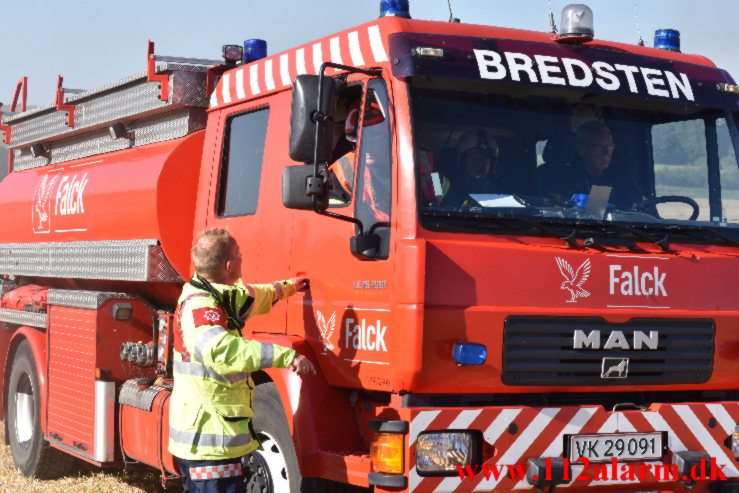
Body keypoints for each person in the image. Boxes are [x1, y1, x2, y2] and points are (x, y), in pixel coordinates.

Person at [169, 228, 315, 493]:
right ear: (229, 264)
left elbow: (254, 295)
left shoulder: (216, 295)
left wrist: (289, 287)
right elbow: (225, 352)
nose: (242, 257)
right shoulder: (201, 307)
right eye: (239, 254)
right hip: (209, 445)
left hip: (212, 439)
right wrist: (286, 355)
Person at [538, 121, 641, 209]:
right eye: (600, 147)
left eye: (610, 147)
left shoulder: (620, 179)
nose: (607, 153)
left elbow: (638, 209)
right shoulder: (556, 178)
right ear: (581, 149)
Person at [442, 130, 501, 207]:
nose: (480, 163)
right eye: (474, 157)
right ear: (462, 161)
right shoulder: (442, 183)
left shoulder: (502, 190)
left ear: (492, 163)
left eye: (484, 158)